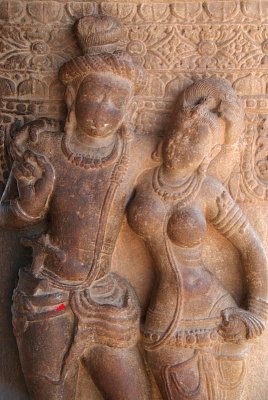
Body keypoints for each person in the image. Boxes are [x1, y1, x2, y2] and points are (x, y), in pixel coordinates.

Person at [1, 14, 153, 400]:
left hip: (102, 297)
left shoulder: (132, 154)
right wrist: (27, 210)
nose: (104, 110)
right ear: (72, 98)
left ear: (129, 109)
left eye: (116, 101)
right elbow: (6, 215)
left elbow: (188, 163)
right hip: (46, 295)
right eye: (95, 96)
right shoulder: (45, 147)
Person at [127, 77, 268, 400]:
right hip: (163, 317)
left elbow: (251, 246)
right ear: (164, 137)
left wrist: (258, 313)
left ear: (208, 155)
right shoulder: (142, 180)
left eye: (196, 140)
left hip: (218, 316)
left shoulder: (208, 191)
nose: (182, 141)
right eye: (179, 132)